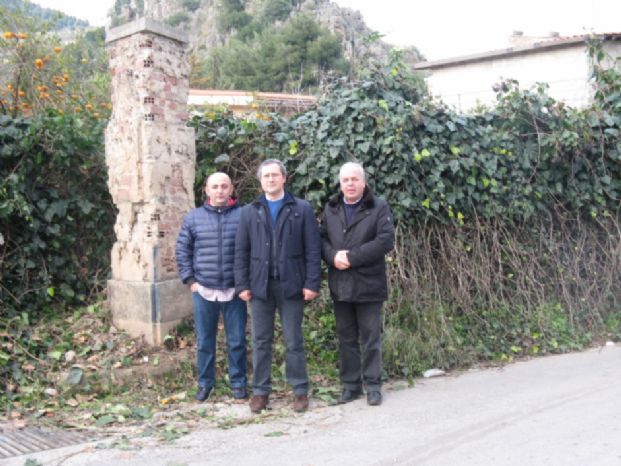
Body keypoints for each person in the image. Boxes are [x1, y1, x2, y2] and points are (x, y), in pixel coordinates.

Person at [235, 159, 321, 414]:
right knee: (261, 341)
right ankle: (261, 392)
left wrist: (311, 282)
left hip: (292, 285)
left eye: (275, 175)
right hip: (260, 287)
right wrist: (242, 284)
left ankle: (299, 390)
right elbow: (241, 250)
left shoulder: (301, 209)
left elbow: (313, 249)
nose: (270, 180)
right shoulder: (249, 211)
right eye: (266, 176)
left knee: (294, 340)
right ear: (260, 181)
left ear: (284, 178)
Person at [320, 162, 395, 406]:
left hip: (368, 284)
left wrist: (351, 257)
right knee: (346, 338)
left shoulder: (378, 206)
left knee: (370, 337)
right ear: (340, 184)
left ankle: (373, 385)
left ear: (363, 182)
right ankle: (351, 386)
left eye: (354, 179)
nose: (350, 184)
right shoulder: (331, 208)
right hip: (340, 284)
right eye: (345, 180)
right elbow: (321, 239)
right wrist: (332, 256)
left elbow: (385, 241)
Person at [175, 172, 248, 402]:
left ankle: (238, 383)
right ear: (206, 190)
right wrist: (190, 280)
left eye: (224, 186)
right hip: (204, 290)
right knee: (205, 341)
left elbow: (253, 250)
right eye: (215, 187)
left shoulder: (244, 215)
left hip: (234, 290)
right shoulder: (194, 218)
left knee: (236, 340)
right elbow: (182, 250)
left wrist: (246, 283)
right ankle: (205, 383)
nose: (219, 191)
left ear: (231, 189)